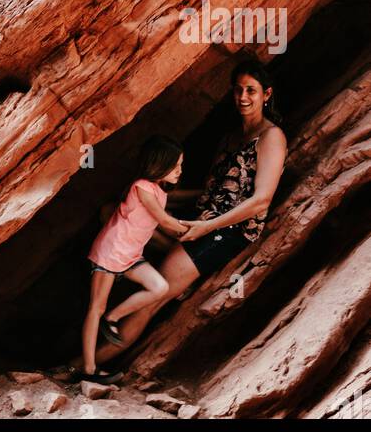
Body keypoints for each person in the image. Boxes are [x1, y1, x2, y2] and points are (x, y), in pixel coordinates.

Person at [99, 58, 287, 362]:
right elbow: (209, 190)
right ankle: (165, 274)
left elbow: (261, 200)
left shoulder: (272, 137)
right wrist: (152, 192)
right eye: (238, 90)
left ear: (267, 94)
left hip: (230, 229)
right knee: (113, 212)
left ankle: (84, 365)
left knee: (153, 299)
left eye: (251, 90)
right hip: (202, 217)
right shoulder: (230, 137)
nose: (243, 97)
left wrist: (207, 227)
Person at [58, 136, 188, 382]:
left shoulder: (160, 191)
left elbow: (167, 211)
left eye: (181, 165)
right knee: (96, 308)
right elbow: (164, 220)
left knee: (160, 287)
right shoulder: (141, 186)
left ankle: (114, 318)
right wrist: (198, 228)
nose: (180, 171)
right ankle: (88, 369)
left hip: (130, 256)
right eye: (176, 165)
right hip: (111, 252)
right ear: (160, 164)